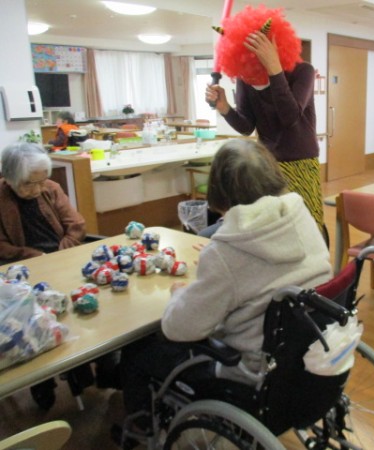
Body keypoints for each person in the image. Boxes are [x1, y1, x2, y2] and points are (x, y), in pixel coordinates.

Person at [120, 139, 332, 430]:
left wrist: (178, 294)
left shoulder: (226, 252)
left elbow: (180, 328)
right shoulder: (300, 214)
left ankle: (140, 427)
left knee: (140, 351)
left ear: (220, 190)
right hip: (307, 350)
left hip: (249, 372)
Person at [0, 142, 116, 409]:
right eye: (29, 184)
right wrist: (34, 256)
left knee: (92, 306)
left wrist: (61, 253)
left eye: (41, 181)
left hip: (63, 259)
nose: (37, 189)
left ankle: (101, 363)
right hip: (23, 270)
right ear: (10, 178)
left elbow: (76, 224)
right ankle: (42, 380)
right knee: (31, 322)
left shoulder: (50, 189)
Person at [205, 6, 325, 238]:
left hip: (301, 160)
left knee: (306, 221)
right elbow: (246, 126)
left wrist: (274, 69)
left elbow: (290, 117)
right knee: (273, 225)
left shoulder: (303, 71)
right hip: (267, 163)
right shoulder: (246, 79)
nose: (249, 68)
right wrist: (225, 108)